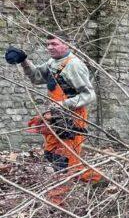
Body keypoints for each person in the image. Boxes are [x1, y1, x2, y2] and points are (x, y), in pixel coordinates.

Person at [5, 34, 103, 205]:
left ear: (66, 45)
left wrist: (63, 105)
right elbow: (36, 77)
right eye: (48, 44)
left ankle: (57, 204)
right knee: (52, 154)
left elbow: (89, 95)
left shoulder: (74, 65)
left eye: (54, 44)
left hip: (72, 118)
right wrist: (24, 61)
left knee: (64, 161)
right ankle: (99, 181)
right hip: (55, 116)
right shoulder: (52, 63)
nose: (49, 47)